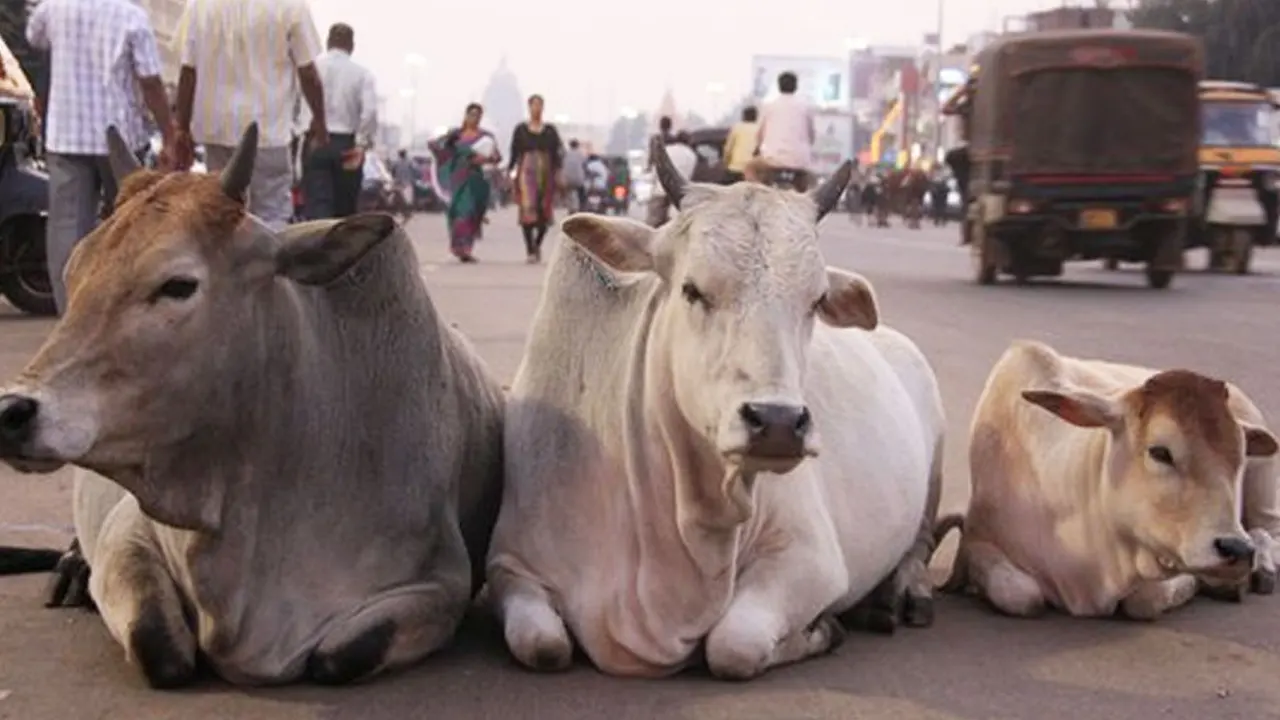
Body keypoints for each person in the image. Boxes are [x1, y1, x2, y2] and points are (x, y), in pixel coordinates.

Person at [25, 0, 177, 315]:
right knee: (129, 222)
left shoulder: (55, 8)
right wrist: (170, 133)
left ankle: (72, 313)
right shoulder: (131, 16)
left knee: (67, 228)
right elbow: (150, 81)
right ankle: (128, 308)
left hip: (66, 134)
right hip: (120, 140)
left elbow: (34, 37)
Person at [175, 0, 329, 230]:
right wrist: (320, 120)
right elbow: (308, 73)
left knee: (222, 214)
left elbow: (188, 71)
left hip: (217, 131)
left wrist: (182, 128)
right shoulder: (291, 6)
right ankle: (268, 265)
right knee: (270, 215)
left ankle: (226, 265)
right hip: (267, 131)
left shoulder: (200, 6)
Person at [300, 23, 377, 220]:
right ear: (351, 45)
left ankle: (318, 247)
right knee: (345, 208)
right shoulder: (362, 74)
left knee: (317, 205)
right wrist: (361, 144)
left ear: (328, 42)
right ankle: (340, 248)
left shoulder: (311, 67)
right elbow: (369, 112)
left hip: (315, 140)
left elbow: (296, 105)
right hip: (347, 144)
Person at [429, 103, 500, 263]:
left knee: (473, 212)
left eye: (478, 115)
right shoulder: (455, 135)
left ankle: (467, 247)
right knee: (460, 211)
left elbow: (496, 157)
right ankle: (459, 247)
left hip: (476, 179)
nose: (474, 118)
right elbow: (438, 148)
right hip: (457, 178)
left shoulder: (485, 137)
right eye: (472, 114)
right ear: (466, 115)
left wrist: (484, 159)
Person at [508, 94, 562, 263]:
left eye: (539, 105)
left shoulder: (550, 130)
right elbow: (514, 151)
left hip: (546, 171)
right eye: (534, 105)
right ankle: (530, 248)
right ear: (529, 107)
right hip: (526, 170)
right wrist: (510, 171)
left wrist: (558, 172)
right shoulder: (521, 130)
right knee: (527, 209)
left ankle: (538, 243)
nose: (536, 108)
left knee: (544, 210)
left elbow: (557, 152)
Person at [756, 71, 816, 191]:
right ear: (796, 86)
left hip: (771, 159)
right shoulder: (805, 106)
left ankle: (759, 195)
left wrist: (758, 148)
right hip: (799, 160)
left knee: (750, 168)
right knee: (806, 182)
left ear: (778, 86)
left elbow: (759, 135)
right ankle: (803, 199)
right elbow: (811, 136)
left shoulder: (769, 106)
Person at [644, 131, 698, 228]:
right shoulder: (692, 155)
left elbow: (655, 170)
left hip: (660, 191)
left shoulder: (668, 150)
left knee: (651, 225)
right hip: (680, 194)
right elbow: (690, 175)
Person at [722, 106, 759, 184]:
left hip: (735, 168)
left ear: (743, 116)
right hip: (752, 171)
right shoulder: (759, 129)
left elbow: (728, 149)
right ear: (756, 117)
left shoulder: (737, 128)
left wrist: (725, 163)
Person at [389, 148, 418, 214]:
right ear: (405, 154)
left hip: (398, 182)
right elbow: (415, 170)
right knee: (408, 199)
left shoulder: (395, 162)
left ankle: (396, 210)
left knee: (396, 197)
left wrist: (394, 177)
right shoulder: (410, 162)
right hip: (407, 182)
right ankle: (407, 211)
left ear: (399, 154)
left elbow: (392, 171)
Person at [561, 138, 586, 211]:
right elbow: (584, 164)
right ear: (577, 145)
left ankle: (570, 208)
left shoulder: (566, 154)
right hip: (578, 178)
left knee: (568, 192)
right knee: (581, 192)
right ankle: (582, 207)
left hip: (567, 178)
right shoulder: (580, 154)